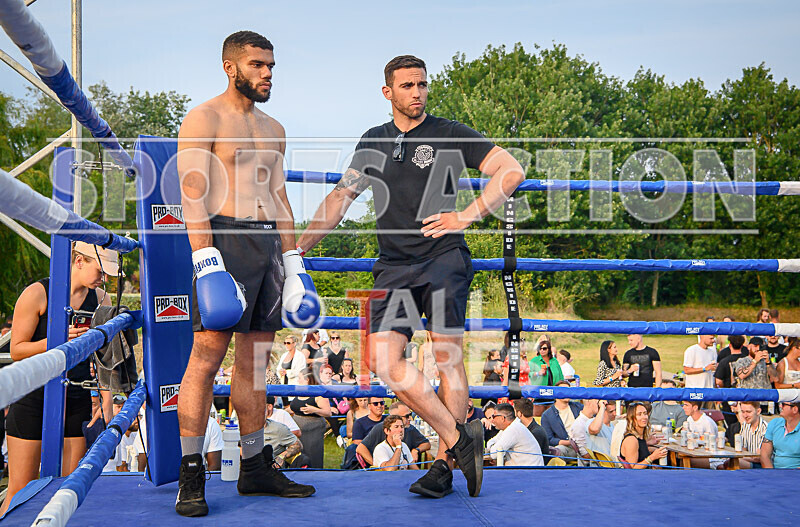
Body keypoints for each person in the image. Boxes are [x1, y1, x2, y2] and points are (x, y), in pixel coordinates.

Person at [296, 54, 525, 498]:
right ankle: (461, 439)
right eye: (407, 86)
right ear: (388, 92)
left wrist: (466, 215)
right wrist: (297, 248)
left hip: (442, 258)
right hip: (393, 265)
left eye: (422, 84)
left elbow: (511, 170)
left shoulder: (450, 132)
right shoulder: (374, 140)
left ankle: (442, 466)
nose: (417, 92)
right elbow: (341, 197)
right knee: (383, 359)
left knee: (447, 358)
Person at [175, 30, 316, 517]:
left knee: (255, 361)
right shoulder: (204, 117)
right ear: (230, 67)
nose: (267, 73)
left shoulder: (274, 128)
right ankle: (191, 473)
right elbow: (192, 193)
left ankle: (254, 466)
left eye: (271, 65)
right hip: (223, 240)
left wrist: (293, 261)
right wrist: (205, 260)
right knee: (206, 357)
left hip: (267, 245)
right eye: (257, 64)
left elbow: (279, 197)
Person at [0, 241, 116, 517]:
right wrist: (57, 341)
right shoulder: (37, 293)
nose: (104, 278)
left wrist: (107, 399)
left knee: (68, 489)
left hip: (76, 398)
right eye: (100, 271)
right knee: (20, 490)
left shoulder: (102, 299)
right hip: (33, 397)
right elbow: (17, 350)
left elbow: (103, 356)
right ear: (79, 261)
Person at [356, 402, 430, 466]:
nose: (410, 418)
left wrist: (416, 450)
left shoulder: (410, 429)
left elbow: (426, 444)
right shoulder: (380, 429)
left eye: (410, 415)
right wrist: (376, 465)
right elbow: (360, 448)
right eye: (407, 416)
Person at [288, 369, 331, 468]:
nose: (298, 381)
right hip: (297, 428)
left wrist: (314, 410)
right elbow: (293, 407)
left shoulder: (319, 395)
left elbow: (328, 412)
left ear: (307, 380)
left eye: (300, 378)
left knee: (312, 454)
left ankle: (314, 472)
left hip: (312, 429)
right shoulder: (300, 392)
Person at [619, 402, 667, 469]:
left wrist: (646, 443)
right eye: (639, 414)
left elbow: (640, 452)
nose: (644, 417)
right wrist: (652, 457)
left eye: (645, 413)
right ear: (632, 418)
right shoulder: (631, 440)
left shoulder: (640, 437)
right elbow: (632, 469)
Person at [541, 381, 582, 457]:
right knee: (558, 451)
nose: (567, 393)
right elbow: (549, 439)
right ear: (555, 394)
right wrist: (568, 442)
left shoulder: (578, 407)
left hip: (584, 443)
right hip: (567, 447)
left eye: (568, 390)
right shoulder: (547, 415)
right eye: (563, 390)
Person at [681, 400, 723, 468]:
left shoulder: (707, 422)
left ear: (695, 407)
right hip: (695, 452)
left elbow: (713, 442)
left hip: (710, 457)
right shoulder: (689, 419)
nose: (683, 407)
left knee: (686, 460)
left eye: (686, 405)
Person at [264, 397, 304, 469]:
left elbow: (297, 444)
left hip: (271, 469)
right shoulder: (244, 428)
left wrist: (281, 456)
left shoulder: (278, 428)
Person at [761, 401, 800, 469]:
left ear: (795, 409)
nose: (780, 406)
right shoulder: (774, 423)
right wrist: (771, 473)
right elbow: (765, 454)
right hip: (774, 471)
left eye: (783, 404)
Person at [737, 401, 768, 469]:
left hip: (762, 465)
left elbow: (758, 458)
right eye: (743, 412)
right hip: (749, 460)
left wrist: (738, 458)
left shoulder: (765, 428)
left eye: (748, 412)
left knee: (735, 463)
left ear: (758, 411)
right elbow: (743, 449)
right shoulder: (745, 425)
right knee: (722, 465)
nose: (745, 415)